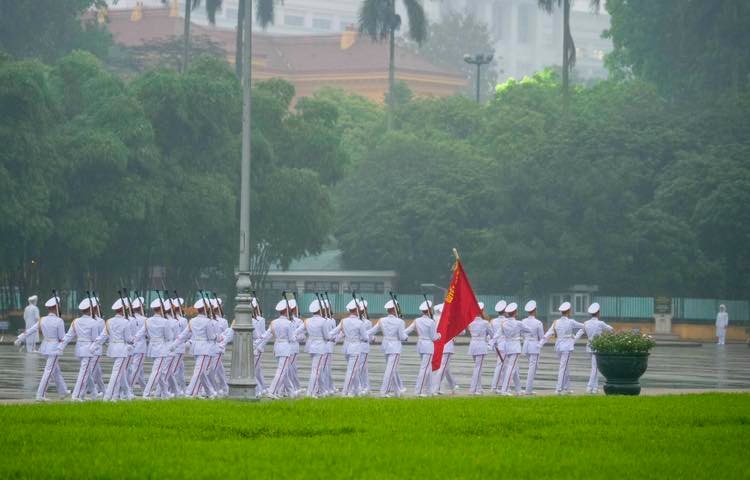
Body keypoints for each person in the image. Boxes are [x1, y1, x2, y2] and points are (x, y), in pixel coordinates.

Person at [14, 295, 69, 401]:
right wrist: (62, 347)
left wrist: (20, 338)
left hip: (45, 348)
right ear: (56, 307)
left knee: (56, 371)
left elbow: (30, 330)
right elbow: (62, 338)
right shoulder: (59, 321)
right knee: (49, 371)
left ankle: (63, 391)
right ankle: (40, 395)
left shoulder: (42, 319)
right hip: (54, 349)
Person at [172, 298, 218, 399]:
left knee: (201, 372)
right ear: (205, 309)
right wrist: (218, 337)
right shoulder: (208, 321)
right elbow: (211, 337)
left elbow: (183, 334)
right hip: (206, 349)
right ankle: (190, 393)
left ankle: (210, 392)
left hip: (196, 349)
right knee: (199, 372)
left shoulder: (192, 321)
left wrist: (174, 344)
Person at [57, 298, 101, 401]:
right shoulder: (93, 322)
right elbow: (95, 339)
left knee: (87, 372)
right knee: (84, 373)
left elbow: (68, 336)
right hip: (88, 350)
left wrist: (60, 346)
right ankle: (76, 396)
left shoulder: (76, 321)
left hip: (79, 349)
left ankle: (94, 393)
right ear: (91, 309)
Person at [92, 299, 135, 401]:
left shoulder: (109, 321)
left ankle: (124, 395)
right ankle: (108, 396)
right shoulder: (126, 322)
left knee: (121, 373)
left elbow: (103, 336)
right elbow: (128, 339)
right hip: (121, 350)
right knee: (116, 374)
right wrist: (134, 340)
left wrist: (95, 345)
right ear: (122, 310)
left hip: (113, 349)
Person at [133, 298, 175, 399]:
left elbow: (141, 332)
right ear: (161, 309)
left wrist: (134, 340)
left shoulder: (148, 320)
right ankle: (146, 394)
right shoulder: (165, 321)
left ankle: (165, 393)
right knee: (156, 372)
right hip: (161, 349)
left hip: (152, 348)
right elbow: (169, 337)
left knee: (160, 372)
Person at [542, 302, 585, 395]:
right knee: (563, 367)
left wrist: (540, 344)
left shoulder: (556, 322)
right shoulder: (571, 321)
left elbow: (548, 334)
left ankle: (567, 387)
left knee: (565, 367)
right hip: (567, 347)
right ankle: (558, 388)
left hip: (558, 346)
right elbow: (583, 326)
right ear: (568, 311)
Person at [367, 299, 407, 398]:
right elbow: (402, 337)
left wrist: (361, 335)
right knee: (390, 370)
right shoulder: (400, 322)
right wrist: (406, 337)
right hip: (395, 347)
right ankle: (384, 391)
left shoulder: (382, 320)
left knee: (393, 369)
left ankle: (398, 390)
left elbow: (371, 331)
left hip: (386, 346)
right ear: (394, 309)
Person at [258, 300, 297, 399]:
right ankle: (272, 391)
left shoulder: (274, 322)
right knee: (281, 371)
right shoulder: (288, 323)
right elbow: (292, 339)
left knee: (285, 371)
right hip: (285, 348)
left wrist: (257, 343)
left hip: (277, 347)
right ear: (286, 311)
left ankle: (291, 392)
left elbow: (266, 335)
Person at [329, 299, 369, 397]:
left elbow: (333, 332)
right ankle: (345, 392)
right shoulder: (360, 323)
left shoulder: (344, 321)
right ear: (356, 310)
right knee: (351, 371)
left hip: (346, 348)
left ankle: (357, 390)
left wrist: (327, 337)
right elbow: (365, 337)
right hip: (355, 349)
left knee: (354, 370)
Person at [575, 302, 614, 394]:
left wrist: (573, 341)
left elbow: (579, 333)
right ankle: (589, 387)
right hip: (597, 347)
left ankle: (595, 388)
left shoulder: (586, 323)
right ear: (598, 312)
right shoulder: (600, 323)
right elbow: (610, 329)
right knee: (595, 368)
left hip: (589, 346)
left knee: (595, 367)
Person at [404, 300, 441, 397]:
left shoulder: (417, 320)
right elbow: (434, 337)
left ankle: (429, 390)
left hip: (420, 345)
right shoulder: (431, 322)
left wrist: (400, 335)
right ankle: (418, 391)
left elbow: (408, 330)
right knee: (424, 369)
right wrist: (439, 335)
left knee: (428, 368)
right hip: (428, 346)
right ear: (428, 310)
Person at [495, 303, 529, 396]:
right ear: (515, 312)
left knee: (515, 368)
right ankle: (504, 389)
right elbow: (529, 330)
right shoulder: (518, 323)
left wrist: (492, 343)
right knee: (511, 368)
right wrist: (520, 331)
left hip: (507, 347)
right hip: (515, 347)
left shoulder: (504, 323)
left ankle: (518, 389)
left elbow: (497, 334)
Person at [303, 299, 331, 398]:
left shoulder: (307, 321)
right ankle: (311, 392)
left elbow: (299, 330)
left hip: (311, 347)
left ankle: (323, 391)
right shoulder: (323, 321)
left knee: (318, 369)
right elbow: (327, 336)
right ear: (320, 310)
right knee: (316, 371)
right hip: (320, 347)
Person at [432, 303, 458, 395]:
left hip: (438, 345)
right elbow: (462, 331)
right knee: (442, 368)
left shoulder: (435, 320)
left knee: (445, 368)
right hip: (448, 347)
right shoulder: (450, 320)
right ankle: (435, 389)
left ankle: (453, 385)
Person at [467, 302, 492, 395]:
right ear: (481, 311)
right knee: (478, 368)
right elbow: (492, 334)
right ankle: (473, 389)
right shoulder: (485, 323)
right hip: (481, 346)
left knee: (478, 367)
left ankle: (479, 387)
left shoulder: (470, 322)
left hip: (473, 345)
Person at [521, 300, 544, 396]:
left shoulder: (523, 321)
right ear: (535, 310)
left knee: (534, 366)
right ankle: (528, 390)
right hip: (534, 345)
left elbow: (521, 333)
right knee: (532, 367)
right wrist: (540, 344)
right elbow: (541, 336)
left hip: (526, 345)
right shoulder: (538, 322)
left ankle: (529, 388)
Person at [128, 296, 148, 391]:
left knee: (139, 370)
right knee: (136, 369)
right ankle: (129, 389)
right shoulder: (145, 319)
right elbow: (147, 334)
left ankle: (145, 388)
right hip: (140, 347)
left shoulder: (129, 319)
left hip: (131, 346)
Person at [489, 300, 507, 394]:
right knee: (501, 366)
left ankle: (503, 385)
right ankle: (494, 386)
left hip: (497, 345)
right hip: (505, 346)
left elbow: (490, 335)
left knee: (504, 366)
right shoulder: (507, 321)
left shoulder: (493, 321)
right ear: (505, 310)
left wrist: (492, 343)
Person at [251, 297, 267, 398]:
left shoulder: (260, 319)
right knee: (257, 370)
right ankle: (263, 388)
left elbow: (262, 334)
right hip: (252, 346)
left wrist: (259, 347)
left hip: (257, 347)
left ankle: (260, 390)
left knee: (254, 371)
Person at [358, 299, 373, 396]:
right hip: (363, 346)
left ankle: (365, 387)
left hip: (358, 346)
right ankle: (363, 387)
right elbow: (370, 337)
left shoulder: (362, 321)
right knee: (361, 368)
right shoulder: (367, 322)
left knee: (362, 368)